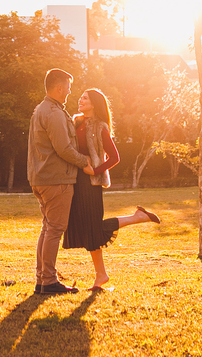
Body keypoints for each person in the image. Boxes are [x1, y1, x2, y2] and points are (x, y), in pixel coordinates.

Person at [63, 87, 160, 291]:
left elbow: (115, 158)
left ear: (94, 103)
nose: (80, 100)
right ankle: (101, 275)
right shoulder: (76, 122)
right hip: (75, 181)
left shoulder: (100, 127)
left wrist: (95, 170)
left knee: (93, 228)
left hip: (90, 184)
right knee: (86, 228)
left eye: (85, 98)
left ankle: (137, 218)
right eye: (80, 97)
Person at [28, 68, 94, 295]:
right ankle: (48, 281)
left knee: (48, 228)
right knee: (54, 229)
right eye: (67, 88)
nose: (69, 93)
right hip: (56, 179)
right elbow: (63, 148)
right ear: (59, 88)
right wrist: (84, 161)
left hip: (42, 178)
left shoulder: (41, 109)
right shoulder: (53, 113)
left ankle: (42, 279)